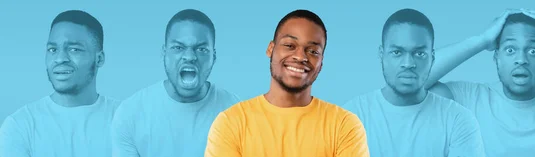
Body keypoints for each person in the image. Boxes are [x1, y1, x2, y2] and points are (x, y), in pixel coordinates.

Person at [427, 9, 535, 156]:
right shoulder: (468, 99)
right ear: (497, 57)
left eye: (532, 50)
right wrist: (480, 41)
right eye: (510, 49)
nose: (521, 59)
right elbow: (411, 81)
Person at [204, 9, 369, 157]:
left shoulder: (344, 126)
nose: (300, 56)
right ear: (271, 49)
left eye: (313, 51)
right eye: (290, 45)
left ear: (321, 62)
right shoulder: (231, 123)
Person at [342, 8, 485, 157]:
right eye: (397, 52)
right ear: (381, 54)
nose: (408, 63)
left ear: (432, 58)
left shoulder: (458, 120)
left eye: (419, 53)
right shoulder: (352, 117)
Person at [111, 9, 240, 157]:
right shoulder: (130, 113)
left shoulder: (236, 113)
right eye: (178, 48)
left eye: (201, 49)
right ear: (164, 52)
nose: (190, 56)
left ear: (214, 56)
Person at [0, 10, 119, 157]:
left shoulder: (126, 119)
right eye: (52, 49)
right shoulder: (20, 126)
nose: (60, 58)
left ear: (99, 59)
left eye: (74, 49)